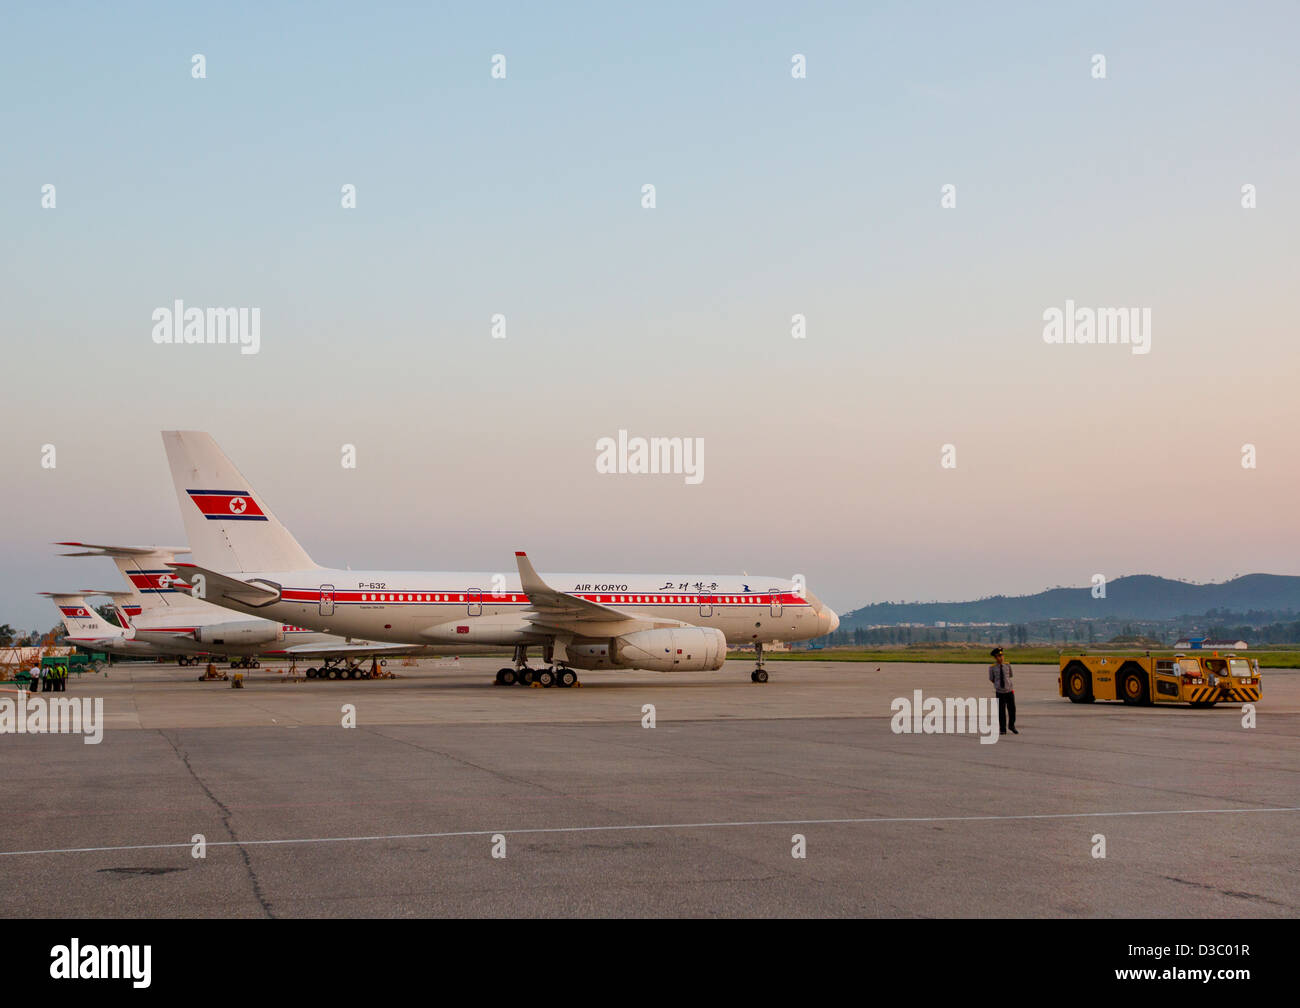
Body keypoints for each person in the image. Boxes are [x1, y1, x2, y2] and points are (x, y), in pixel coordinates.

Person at [989, 647, 1017, 735]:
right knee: (1001, 711)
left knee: (1012, 710)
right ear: (995, 658)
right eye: (998, 656)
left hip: (1009, 691)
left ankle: (1011, 725)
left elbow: (1010, 676)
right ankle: (1002, 729)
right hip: (1000, 692)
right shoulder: (992, 668)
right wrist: (998, 685)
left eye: (1001, 656)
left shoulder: (1008, 665)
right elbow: (992, 679)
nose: (1000, 658)